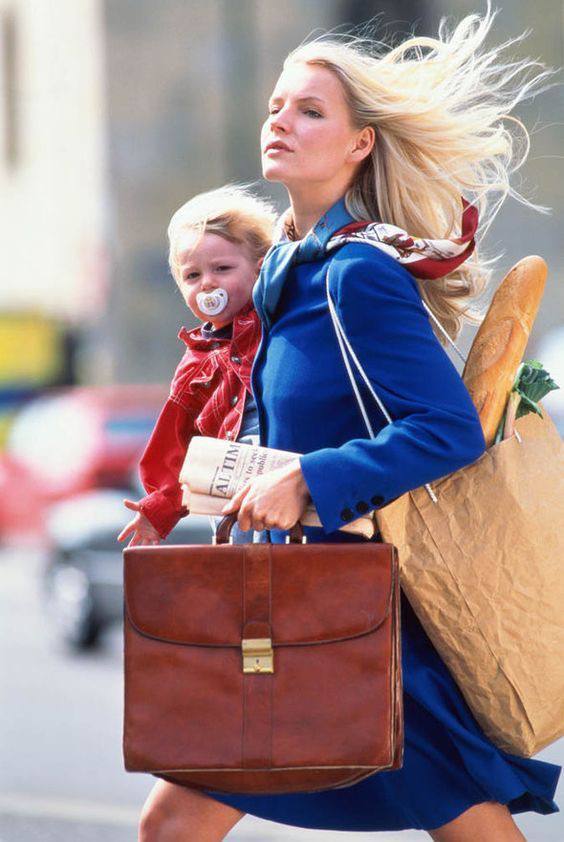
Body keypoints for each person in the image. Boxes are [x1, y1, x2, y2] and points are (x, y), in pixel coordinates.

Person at [138, 7, 561, 842]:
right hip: (294, 603)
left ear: (360, 143)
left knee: (174, 824)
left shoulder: (356, 272)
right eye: (275, 107)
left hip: (353, 614)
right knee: (171, 824)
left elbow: (448, 427)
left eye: (310, 111)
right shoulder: (285, 273)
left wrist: (309, 479)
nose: (280, 123)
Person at [117, 185, 275, 548]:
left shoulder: (279, 320)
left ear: (261, 267)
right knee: (250, 580)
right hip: (234, 498)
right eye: (192, 276)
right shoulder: (194, 366)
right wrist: (158, 510)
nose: (208, 283)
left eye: (222, 268)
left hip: (287, 477)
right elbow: (176, 445)